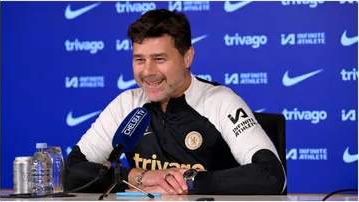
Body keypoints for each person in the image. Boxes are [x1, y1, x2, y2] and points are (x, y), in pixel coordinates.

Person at [64, 9, 287, 195]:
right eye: (139, 60)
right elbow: (71, 172)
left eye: (159, 59)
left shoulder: (220, 101)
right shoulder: (127, 104)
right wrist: (139, 177)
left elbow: (272, 174)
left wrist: (187, 181)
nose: (148, 72)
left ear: (187, 57)